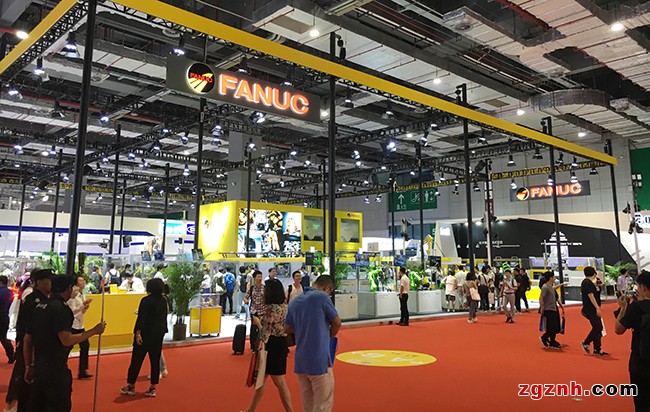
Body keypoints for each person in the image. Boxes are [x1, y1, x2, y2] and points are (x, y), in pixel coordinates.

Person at [24, 275, 106, 412]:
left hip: (39, 365)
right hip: (55, 368)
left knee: (38, 405)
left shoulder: (40, 306)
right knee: (58, 405)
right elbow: (66, 340)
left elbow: (27, 340)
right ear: (68, 288)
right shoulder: (61, 309)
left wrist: (29, 366)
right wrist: (94, 331)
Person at [285, 275, 341, 412]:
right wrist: (329, 335)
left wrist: (302, 327)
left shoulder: (295, 301)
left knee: (308, 403)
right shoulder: (322, 297)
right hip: (319, 359)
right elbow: (337, 322)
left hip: (301, 361)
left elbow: (286, 328)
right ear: (327, 288)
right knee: (323, 404)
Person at [5, 269, 52, 412]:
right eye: (48, 279)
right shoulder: (32, 298)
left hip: (36, 345)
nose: (51, 283)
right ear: (38, 282)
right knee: (23, 374)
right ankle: (12, 403)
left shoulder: (46, 299)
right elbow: (28, 326)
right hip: (28, 343)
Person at [244, 279, 293, 412]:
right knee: (262, 380)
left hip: (272, 346)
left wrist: (257, 323)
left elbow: (265, 332)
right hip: (280, 344)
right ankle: (251, 409)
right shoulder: (285, 307)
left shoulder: (271, 309)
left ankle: (290, 410)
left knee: (279, 382)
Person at [120, 278, 168, 398]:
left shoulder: (145, 300)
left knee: (136, 360)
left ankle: (131, 385)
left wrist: (138, 333)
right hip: (158, 334)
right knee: (155, 361)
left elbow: (141, 318)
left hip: (145, 334)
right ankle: (153, 387)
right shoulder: (163, 300)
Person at [614, 270, 650, 411]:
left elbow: (618, 329)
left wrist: (623, 308)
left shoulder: (636, 307)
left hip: (640, 363)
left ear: (642, 287)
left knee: (641, 404)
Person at [66, 276, 93, 379]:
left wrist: (85, 307)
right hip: (73, 324)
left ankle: (82, 370)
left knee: (85, 345)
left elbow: (81, 312)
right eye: (81, 281)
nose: (83, 283)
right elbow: (72, 311)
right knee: (68, 347)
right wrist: (83, 305)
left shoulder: (82, 294)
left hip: (80, 324)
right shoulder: (73, 295)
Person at [580, 266, 607, 356]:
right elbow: (591, 296)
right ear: (594, 273)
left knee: (598, 328)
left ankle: (597, 348)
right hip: (591, 309)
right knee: (598, 327)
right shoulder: (587, 283)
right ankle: (586, 342)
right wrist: (597, 308)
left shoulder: (588, 283)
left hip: (591, 309)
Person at [539, 271, 564, 349]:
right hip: (548, 309)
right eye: (553, 277)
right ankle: (545, 337)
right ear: (550, 278)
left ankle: (552, 340)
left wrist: (561, 285)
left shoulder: (550, 287)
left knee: (555, 326)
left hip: (553, 308)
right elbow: (541, 298)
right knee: (551, 326)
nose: (554, 278)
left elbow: (553, 289)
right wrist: (542, 307)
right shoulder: (545, 287)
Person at [245, 271, 265, 350]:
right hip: (254, 311)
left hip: (263, 311)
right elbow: (246, 296)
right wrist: (246, 300)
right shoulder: (252, 288)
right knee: (253, 329)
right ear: (254, 278)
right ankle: (253, 346)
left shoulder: (265, 288)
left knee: (263, 328)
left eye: (261, 276)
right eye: (258, 277)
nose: (260, 278)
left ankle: (263, 345)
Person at [0, 275, 15, 364]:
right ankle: (10, 353)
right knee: (3, 336)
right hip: (5, 315)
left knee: (2, 337)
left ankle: (10, 353)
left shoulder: (1, 292)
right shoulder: (9, 292)